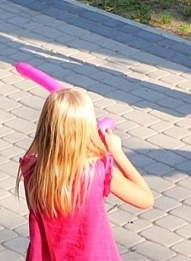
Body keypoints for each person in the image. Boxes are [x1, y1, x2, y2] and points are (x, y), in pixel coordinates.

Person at [19, 87, 154, 259]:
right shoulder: (98, 171)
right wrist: (117, 152)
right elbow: (146, 199)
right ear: (86, 130)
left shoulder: (32, 171)